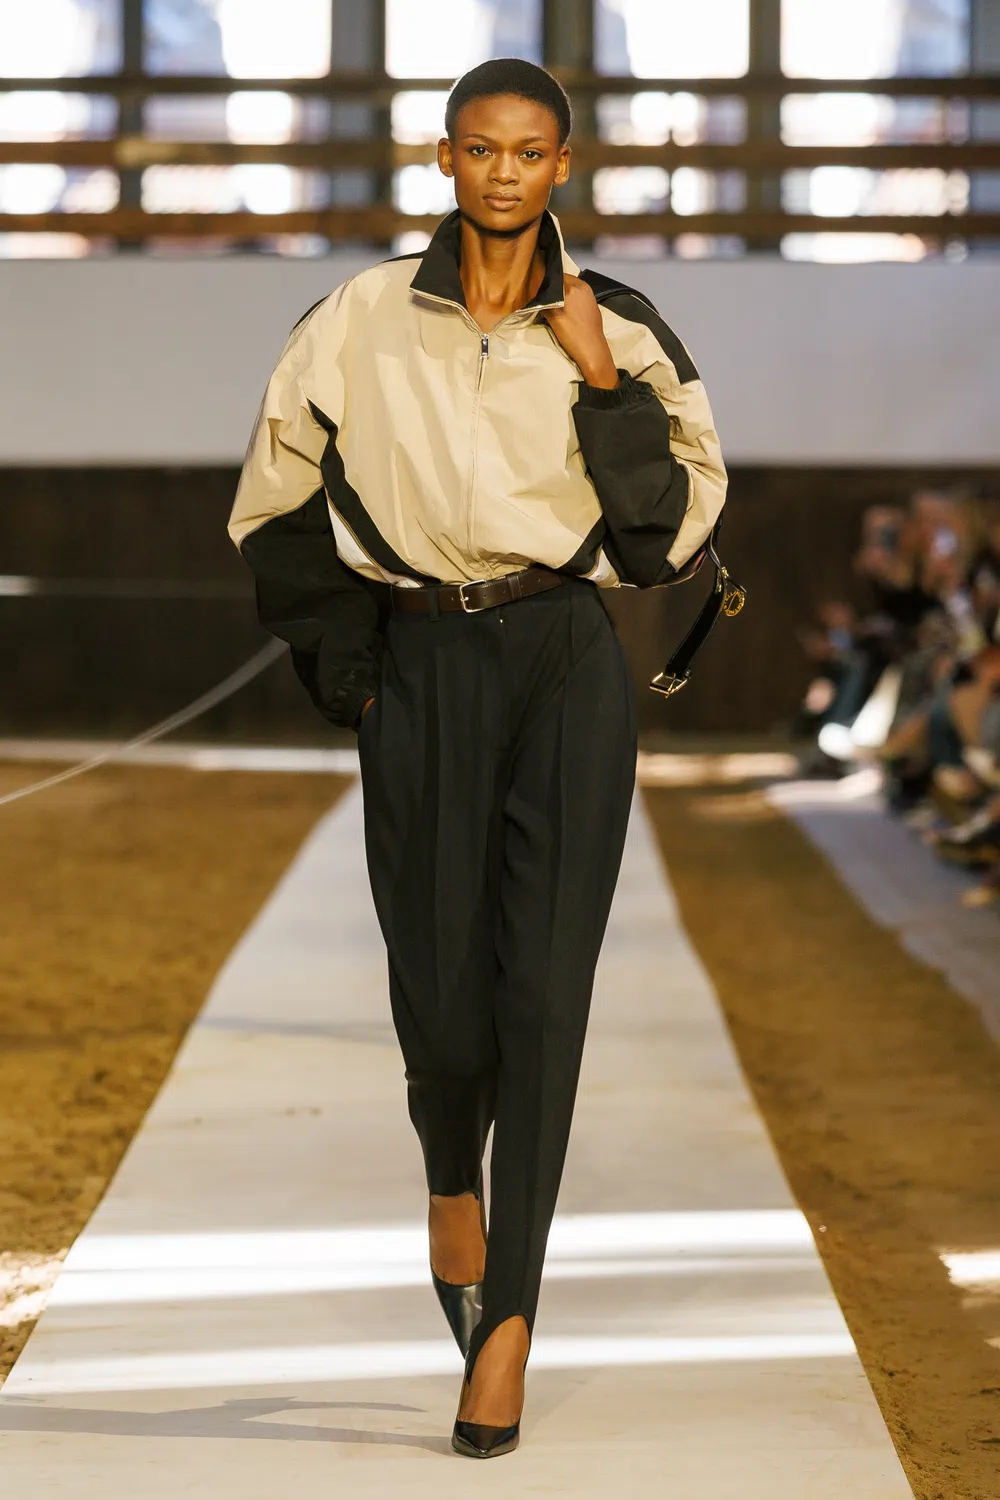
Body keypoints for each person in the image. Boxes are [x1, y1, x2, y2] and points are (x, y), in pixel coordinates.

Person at [228, 57, 726, 1459]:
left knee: (546, 994)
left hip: (565, 655)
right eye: (481, 149)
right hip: (422, 662)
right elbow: (274, 504)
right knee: (441, 991)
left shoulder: (622, 325)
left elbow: (667, 537)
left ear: (563, 165)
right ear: (444, 160)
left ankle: (508, 1319)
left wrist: (600, 384)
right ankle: (453, 1165)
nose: (505, 172)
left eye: (530, 151)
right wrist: (351, 667)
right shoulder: (357, 318)